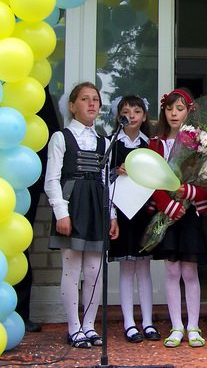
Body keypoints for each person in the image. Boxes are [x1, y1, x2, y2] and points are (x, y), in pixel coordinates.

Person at [44, 82, 119, 349]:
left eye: (95, 99)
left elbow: (107, 181)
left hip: (96, 206)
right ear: (72, 106)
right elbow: (51, 180)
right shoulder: (61, 137)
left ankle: (89, 325)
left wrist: (112, 215)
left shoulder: (104, 142)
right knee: (72, 268)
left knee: (94, 270)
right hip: (72, 205)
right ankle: (73, 327)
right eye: (85, 99)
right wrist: (61, 213)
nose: (91, 104)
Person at [150, 89, 207, 348]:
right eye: (169, 109)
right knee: (172, 269)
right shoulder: (156, 143)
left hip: (190, 212)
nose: (174, 114)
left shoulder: (200, 142)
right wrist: (167, 204)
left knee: (189, 270)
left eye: (180, 109)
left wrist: (189, 192)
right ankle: (176, 326)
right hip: (167, 212)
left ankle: (193, 326)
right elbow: (151, 178)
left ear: (189, 111)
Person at [107, 95, 161, 343]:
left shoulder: (149, 144)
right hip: (122, 210)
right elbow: (104, 178)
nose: (131, 115)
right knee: (127, 267)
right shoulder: (111, 143)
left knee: (144, 267)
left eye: (137, 111)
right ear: (119, 115)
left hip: (144, 211)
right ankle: (129, 322)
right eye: (126, 111)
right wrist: (116, 171)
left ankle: (148, 321)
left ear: (144, 116)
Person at [15, 88, 62, 333]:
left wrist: (41, 176)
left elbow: (49, 132)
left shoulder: (34, 88)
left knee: (19, 243)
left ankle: (20, 313)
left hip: (25, 179)